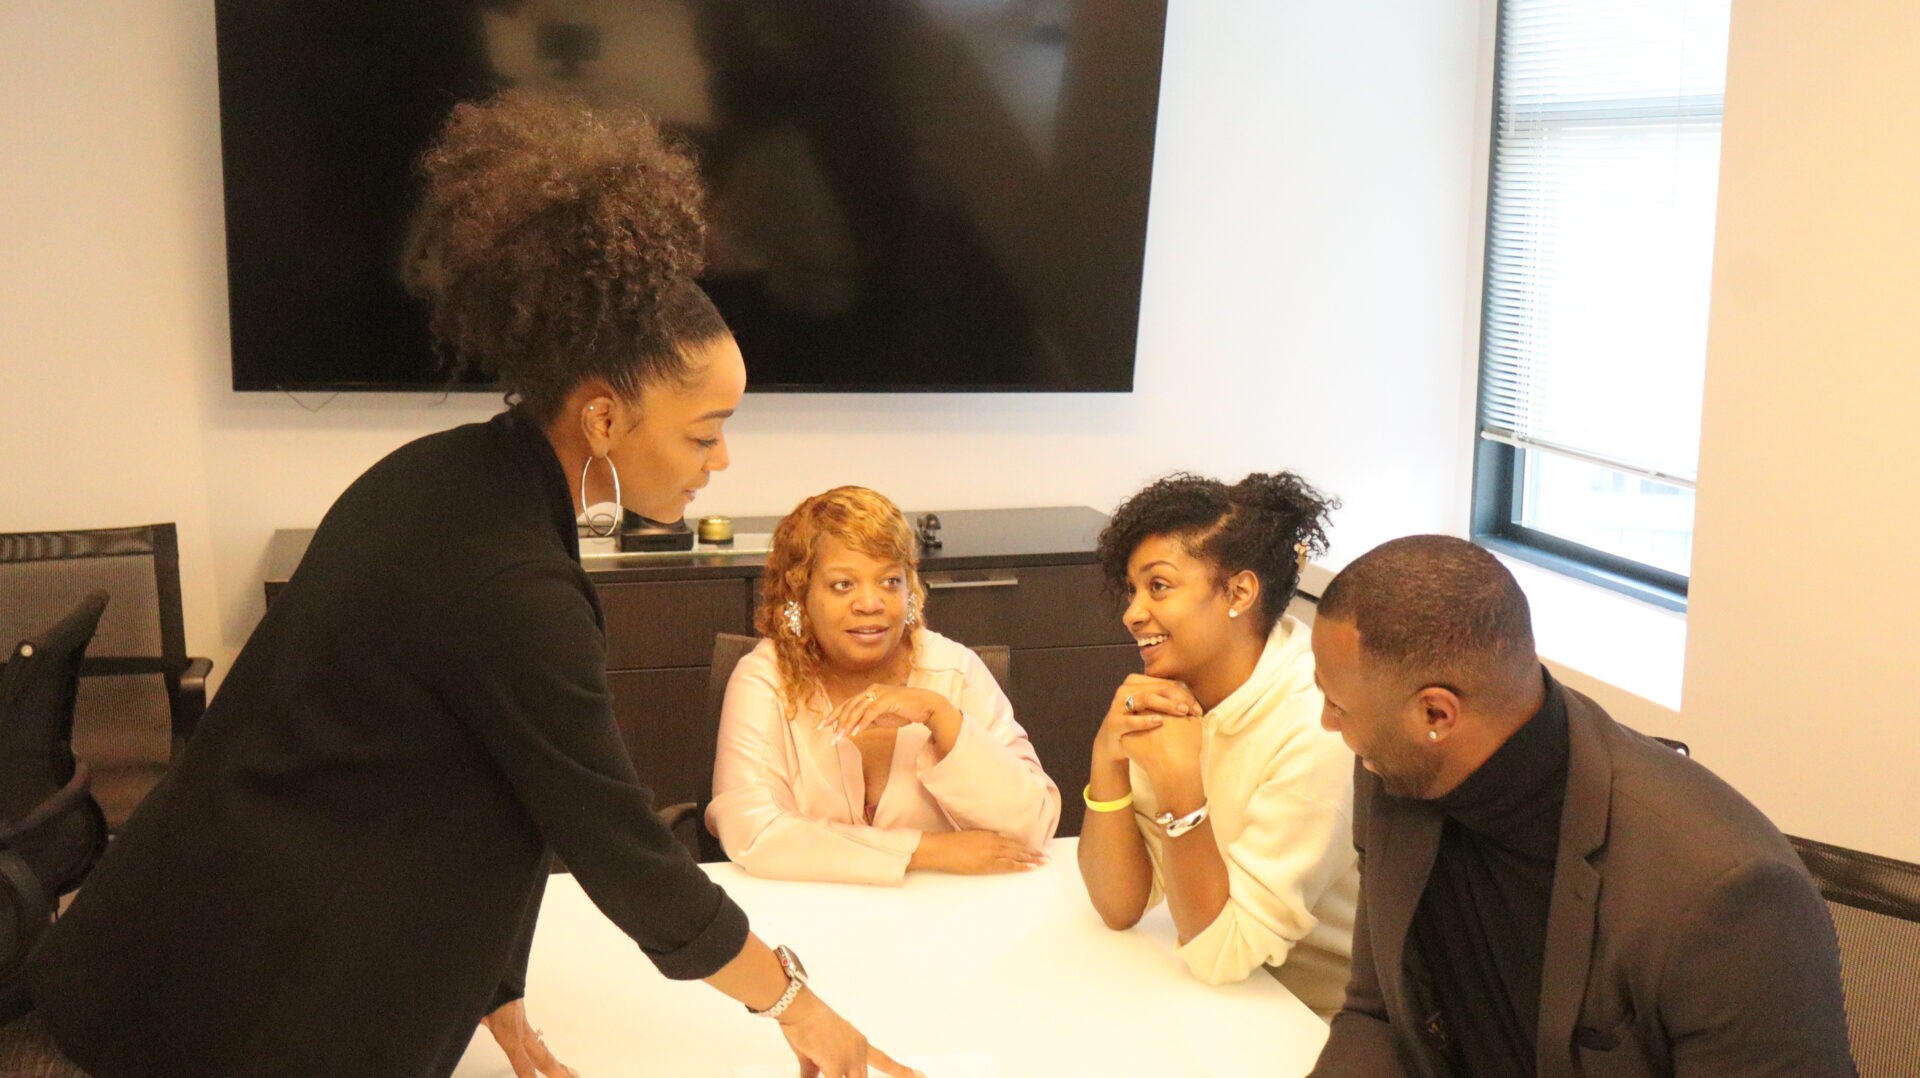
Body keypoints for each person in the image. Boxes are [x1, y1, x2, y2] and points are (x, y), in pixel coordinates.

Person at [16, 92, 914, 1078]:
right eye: (705, 431)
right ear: (607, 419)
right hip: (225, 1006)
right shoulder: (512, 586)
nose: (722, 463)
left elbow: (480, 773)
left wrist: (498, 987)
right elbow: (625, 853)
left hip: (158, 942)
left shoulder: (443, 476)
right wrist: (797, 1004)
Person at [1307, 535, 1855, 1078]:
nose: (1330, 724)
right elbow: (1378, 1012)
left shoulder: (1725, 894)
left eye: (1336, 704)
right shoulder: (1399, 771)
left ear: (1436, 715)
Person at [1075, 473, 1359, 1015]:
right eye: (1133, 590)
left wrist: (1183, 790)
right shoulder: (1178, 695)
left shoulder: (1316, 726)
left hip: (1320, 1022)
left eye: (1158, 586)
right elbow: (1118, 904)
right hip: (1231, 1002)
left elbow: (1223, 956)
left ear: (1239, 592)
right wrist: (1106, 758)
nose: (1132, 613)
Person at [708, 487, 1060, 883]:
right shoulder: (765, 679)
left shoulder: (953, 671)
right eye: (843, 585)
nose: (871, 603)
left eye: (890, 581)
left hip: (945, 916)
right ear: (799, 590)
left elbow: (1033, 826)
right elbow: (752, 831)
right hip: (808, 917)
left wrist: (941, 717)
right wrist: (927, 850)